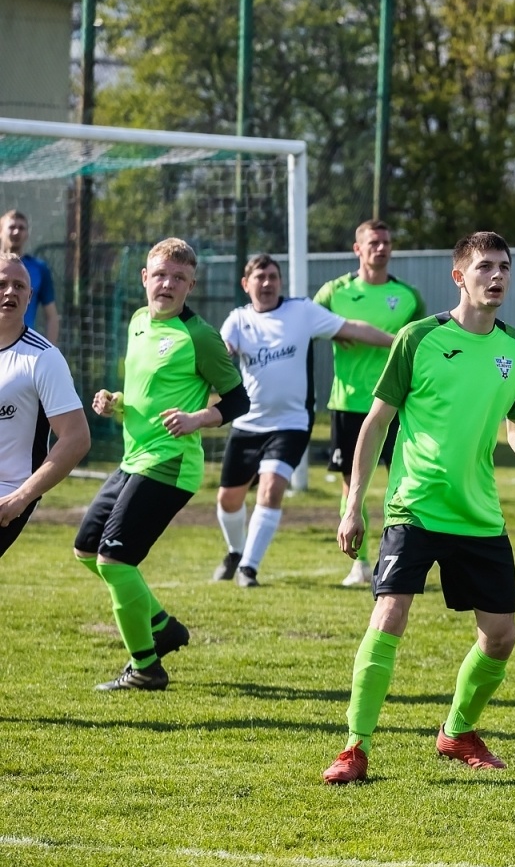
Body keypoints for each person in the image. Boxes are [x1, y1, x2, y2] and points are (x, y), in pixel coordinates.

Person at [322, 232, 515, 785]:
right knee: (389, 616)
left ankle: (457, 732)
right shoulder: (418, 339)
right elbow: (376, 423)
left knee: (501, 636)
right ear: (459, 276)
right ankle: (353, 748)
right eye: (484, 267)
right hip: (414, 505)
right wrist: (353, 504)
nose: (496, 276)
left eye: (504, 267)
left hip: (478, 514)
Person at [75, 239, 248, 691]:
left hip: (170, 463)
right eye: (160, 274)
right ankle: (162, 626)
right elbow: (146, 393)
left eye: (178, 277)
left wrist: (197, 418)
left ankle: (146, 668)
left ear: (191, 284)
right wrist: (116, 402)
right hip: (134, 458)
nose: (167, 283)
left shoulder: (200, 337)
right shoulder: (136, 322)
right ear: (145, 278)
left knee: (114, 561)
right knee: (86, 550)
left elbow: (238, 400)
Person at [213, 254, 394, 588]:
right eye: (259, 277)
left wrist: (398, 343)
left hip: (291, 424)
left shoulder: (301, 311)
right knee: (228, 500)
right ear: (246, 284)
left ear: (280, 281)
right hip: (247, 424)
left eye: (272, 276)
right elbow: (223, 352)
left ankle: (248, 569)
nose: (267, 283)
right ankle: (235, 552)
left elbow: (351, 328)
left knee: (270, 489)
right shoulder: (238, 320)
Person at [313, 219, 428, 587]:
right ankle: (358, 563)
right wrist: (338, 327)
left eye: (386, 242)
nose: (381, 248)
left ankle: (403, 559)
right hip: (348, 402)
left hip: (395, 404)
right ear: (357, 249)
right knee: (352, 485)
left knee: (405, 484)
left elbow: (421, 345)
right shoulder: (334, 292)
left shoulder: (408, 297)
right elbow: (310, 323)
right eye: (374, 242)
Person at [0, 253, 89, 558]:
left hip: (8, 494)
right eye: (2, 284)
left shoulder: (43, 358)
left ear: (30, 297)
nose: (10, 291)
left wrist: (21, 498)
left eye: (19, 286)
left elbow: (76, 438)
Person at [0, 211, 59, 345]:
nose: (16, 232)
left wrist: (49, 350)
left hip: (22, 348)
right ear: (1, 231)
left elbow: (52, 316)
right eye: (12, 227)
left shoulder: (39, 269)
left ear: (27, 234)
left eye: (21, 228)